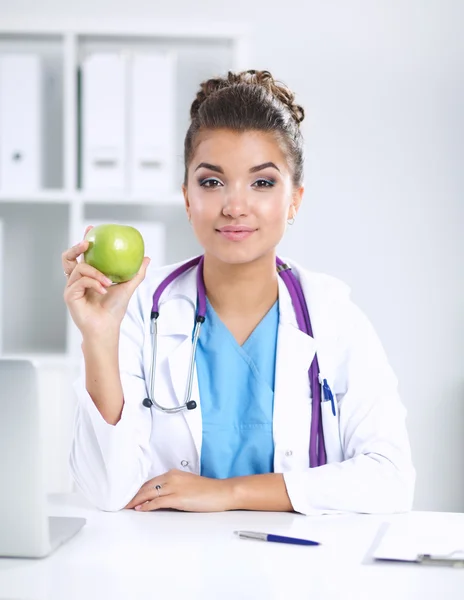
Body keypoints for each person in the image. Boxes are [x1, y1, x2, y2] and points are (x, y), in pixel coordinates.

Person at [63, 69, 415, 515]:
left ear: (295, 201)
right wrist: (99, 336)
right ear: (187, 198)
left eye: (262, 182)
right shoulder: (138, 309)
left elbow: (392, 479)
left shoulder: (333, 317)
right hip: (165, 571)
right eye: (212, 182)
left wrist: (229, 493)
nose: (235, 205)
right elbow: (108, 493)